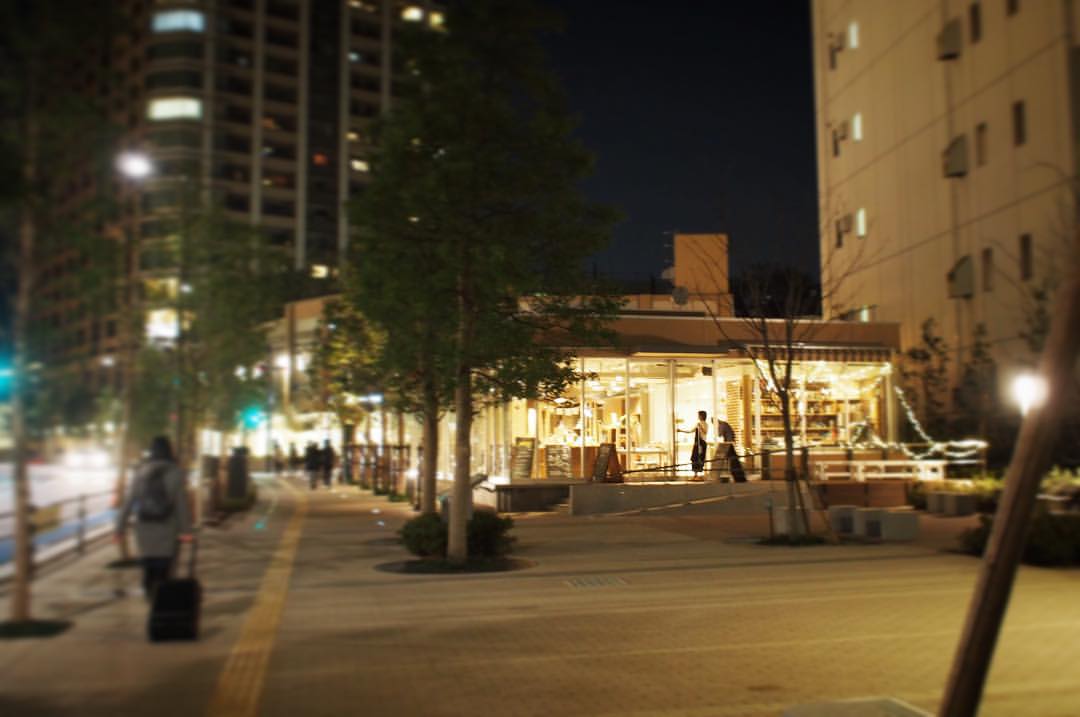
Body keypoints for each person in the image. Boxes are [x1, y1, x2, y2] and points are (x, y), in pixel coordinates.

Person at [115, 436, 192, 601]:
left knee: (148, 569)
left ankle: (150, 597)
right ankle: (161, 603)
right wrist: (186, 531)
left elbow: (128, 503)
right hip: (167, 531)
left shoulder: (140, 472)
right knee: (165, 571)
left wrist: (119, 529)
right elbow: (181, 505)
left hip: (144, 531)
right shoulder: (176, 473)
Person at [677, 410, 709, 479]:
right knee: (694, 458)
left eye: (699, 415)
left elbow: (705, 432)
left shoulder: (705, 424)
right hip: (697, 443)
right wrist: (681, 431)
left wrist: (700, 426)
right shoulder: (698, 424)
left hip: (702, 443)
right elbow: (691, 431)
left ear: (702, 416)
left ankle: (700, 474)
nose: (698, 416)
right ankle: (695, 474)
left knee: (700, 458)